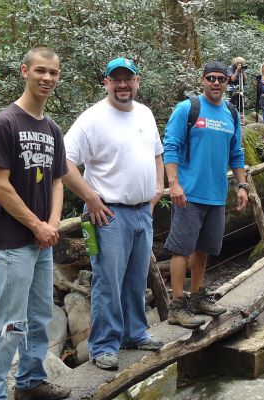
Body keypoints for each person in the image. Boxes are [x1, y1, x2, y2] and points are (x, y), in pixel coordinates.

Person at [0, 47, 71, 400]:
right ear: (25, 71)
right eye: (40, 71)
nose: (47, 78)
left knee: (40, 314)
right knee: (9, 322)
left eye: (54, 73)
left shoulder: (53, 129)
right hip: (13, 242)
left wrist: (54, 222)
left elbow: (58, 180)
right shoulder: (4, 123)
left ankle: (31, 382)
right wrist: (37, 225)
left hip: (42, 240)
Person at [62, 57, 165, 371]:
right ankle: (103, 346)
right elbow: (63, 162)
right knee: (107, 282)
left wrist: (158, 188)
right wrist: (90, 197)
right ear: (106, 82)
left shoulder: (145, 114)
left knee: (136, 279)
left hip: (141, 213)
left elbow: (157, 153)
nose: (122, 85)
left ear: (137, 81)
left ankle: (134, 333)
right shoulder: (92, 118)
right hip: (106, 215)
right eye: (115, 79)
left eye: (128, 79)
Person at [163, 61, 248, 329]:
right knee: (180, 249)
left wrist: (243, 185)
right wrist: (173, 184)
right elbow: (170, 146)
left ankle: (198, 296)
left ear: (226, 82)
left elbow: (237, 153)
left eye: (221, 79)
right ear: (202, 80)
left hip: (217, 194)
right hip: (188, 194)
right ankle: (177, 305)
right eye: (211, 78)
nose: (216, 82)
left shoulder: (231, 114)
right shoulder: (188, 109)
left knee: (204, 249)